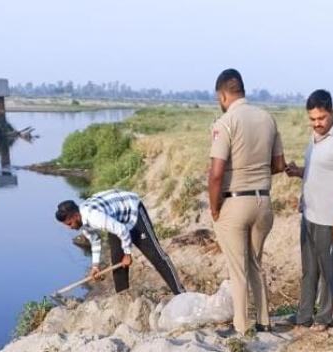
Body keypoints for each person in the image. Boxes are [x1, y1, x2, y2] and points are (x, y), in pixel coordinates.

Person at [208, 68, 286, 337]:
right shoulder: (267, 118)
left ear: (223, 94)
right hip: (263, 201)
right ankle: (264, 320)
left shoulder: (225, 122)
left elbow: (216, 173)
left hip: (235, 201)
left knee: (237, 269)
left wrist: (215, 207)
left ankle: (242, 328)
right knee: (255, 263)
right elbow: (279, 165)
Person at [285, 90, 333, 332]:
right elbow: (318, 169)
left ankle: (324, 316)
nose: (317, 124)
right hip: (309, 213)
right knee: (309, 269)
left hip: (330, 217)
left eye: (322, 118)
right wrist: (299, 172)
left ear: (332, 113)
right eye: (313, 119)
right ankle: (304, 314)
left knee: (327, 268)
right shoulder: (314, 137)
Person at [55, 189, 185, 295]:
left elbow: (122, 230)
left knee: (156, 256)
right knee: (118, 262)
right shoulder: (83, 222)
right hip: (115, 219)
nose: (69, 227)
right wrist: (95, 266)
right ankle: (123, 299)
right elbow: (95, 240)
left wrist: (128, 254)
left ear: (76, 216)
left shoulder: (94, 217)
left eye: (69, 223)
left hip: (132, 212)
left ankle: (180, 293)